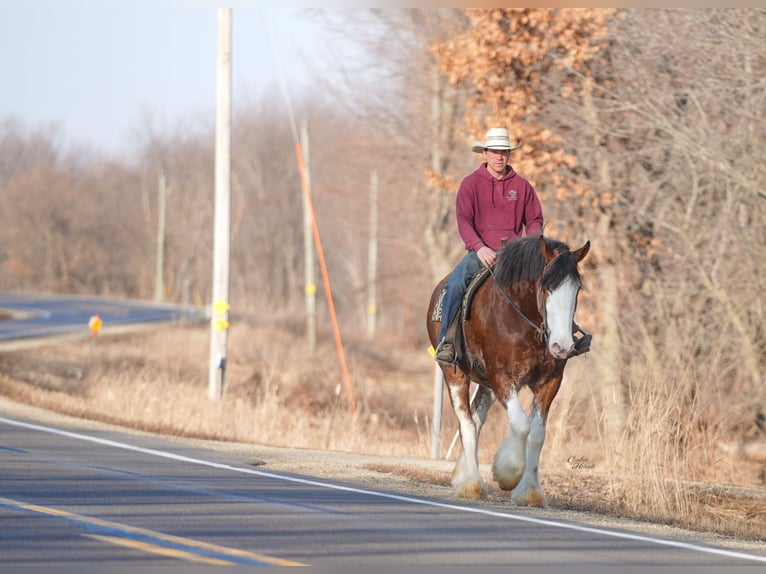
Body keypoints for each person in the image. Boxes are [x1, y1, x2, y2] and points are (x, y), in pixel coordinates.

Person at [435, 127, 544, 365]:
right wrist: (478, 246)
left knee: (549, 281)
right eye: (494, 151)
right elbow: (464, 220)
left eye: (503, 151)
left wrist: (530, 244)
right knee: (455, 284)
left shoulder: (522, 186)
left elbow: (534, 219)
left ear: (509, 154)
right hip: (481, 252)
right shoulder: (470, 184)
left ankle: (558, 338)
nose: (499, 156)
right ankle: (448, 342)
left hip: (515, 254)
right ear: (484, 154)